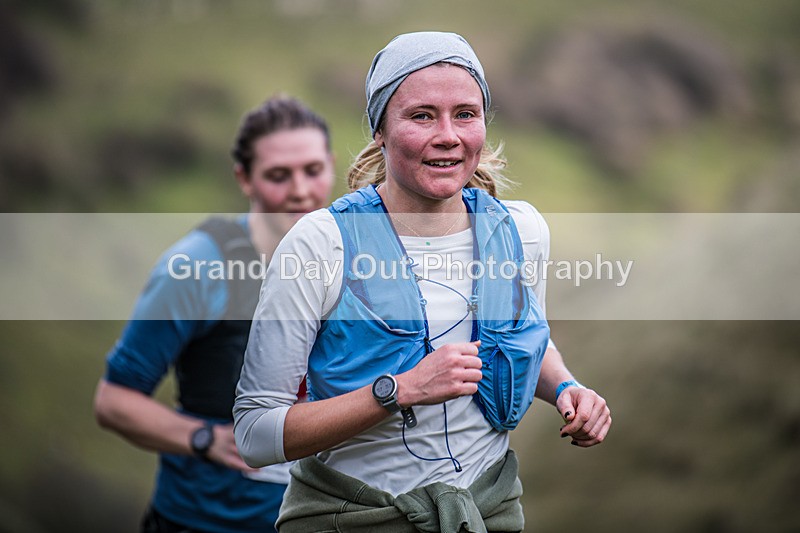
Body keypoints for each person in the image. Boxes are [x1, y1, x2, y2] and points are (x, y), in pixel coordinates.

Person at [234, 32, 612, 533]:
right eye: (421, 115)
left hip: (487, 514)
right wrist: (401, 390)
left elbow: (523, 339)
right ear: (380, 132)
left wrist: (567, 386)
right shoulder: (321, 243)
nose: (448, 135)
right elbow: (256, 435)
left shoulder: (522, 230)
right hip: (352, 518)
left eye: (465, 114)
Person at [93, 96, 336, 533]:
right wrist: (203, 439)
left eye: (313, 171)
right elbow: (114, 401)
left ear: (331, 166)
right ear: (244, 178)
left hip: (311, 520)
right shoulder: (197, 266)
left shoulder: (350, 256)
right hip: (204, 520)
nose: (300, 190)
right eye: (278, 175)